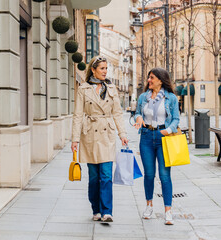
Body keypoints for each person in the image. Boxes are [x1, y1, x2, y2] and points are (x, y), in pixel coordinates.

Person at [71, 56, 129, 223]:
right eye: (102, 68)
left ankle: (107, 211)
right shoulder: (83, 88)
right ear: (94, 70)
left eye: (106, 68)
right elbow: (78, 115)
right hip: (89, 134)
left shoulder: (111, 88)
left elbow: (117, 113)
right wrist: (75, 139)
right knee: (94, 177)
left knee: (106, 175)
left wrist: (122, 134)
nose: (105, 71)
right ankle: (95, 209)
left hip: (107, 135)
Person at [134, 68, 180, 225]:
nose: (149, 80)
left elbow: (175, 119)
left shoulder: (171, 98)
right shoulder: (143, 97)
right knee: (149, 174)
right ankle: (149, 206)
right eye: (148, 77)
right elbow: (137, 113)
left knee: (164, 175)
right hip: (146, 136)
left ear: (160, 80)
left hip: (164, 137)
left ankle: (168, 211)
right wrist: (139, 118)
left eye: (152, 78)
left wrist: (168, 130)